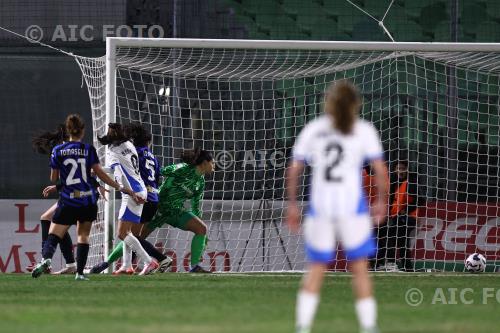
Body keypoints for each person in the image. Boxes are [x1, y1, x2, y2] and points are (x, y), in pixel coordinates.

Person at [286, 80, 389, 333]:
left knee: (316, 268)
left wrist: (291, 204)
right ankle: (368, 326)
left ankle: (303, 326)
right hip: (352, 209)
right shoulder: (364, 129)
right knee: (360, 269)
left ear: (328, 103)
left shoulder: (314, 129)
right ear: (356, 104)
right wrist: (382, 201)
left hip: (321, 209)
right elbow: (380, 170)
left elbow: (295, 168)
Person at [31, 114, 140, 281]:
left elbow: (54, 178)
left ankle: (47, 259)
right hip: (88, 199)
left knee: (53, 233)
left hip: (69, 199)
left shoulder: (58, 150)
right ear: (82, 131)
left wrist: (59, 178)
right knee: (83, 235)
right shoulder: (88, 149)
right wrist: (118, 187)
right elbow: (99, 173)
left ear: (67, 131)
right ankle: (79, 273)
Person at [90, 124, 172, 275]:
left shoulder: (113, 151)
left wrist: (124, 189)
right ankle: (127, 265)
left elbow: (119, 173)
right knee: (129, 233)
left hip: (132, 192)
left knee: (122, 233)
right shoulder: (129, 145)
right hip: (144, 190)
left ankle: (150, 261)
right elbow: (126, 168)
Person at [140, 148, 215, 273]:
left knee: (202, 229)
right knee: (137, 237)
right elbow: (160, 171)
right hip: (159, 208)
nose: (214, 166)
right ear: (204, 163)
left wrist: (203, 236)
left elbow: (196, 206)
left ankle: (194, 267)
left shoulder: (200, 182)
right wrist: (150, 190)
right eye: (212, 162)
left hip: (175, 212)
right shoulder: (183, 168)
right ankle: (107, 262)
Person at [375, 160, 418, 272]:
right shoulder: (393, 183)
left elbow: (420, 200)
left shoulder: (411, 183)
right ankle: (407, 267)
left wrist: (405, 210)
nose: (400, 171)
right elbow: (391, 202)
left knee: (391, 235)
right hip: (396, 217)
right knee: (401, 241)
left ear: (407, 170)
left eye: (403, 168)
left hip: (408, 218)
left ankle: (390, 263)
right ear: (395, 170)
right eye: (398, 168)